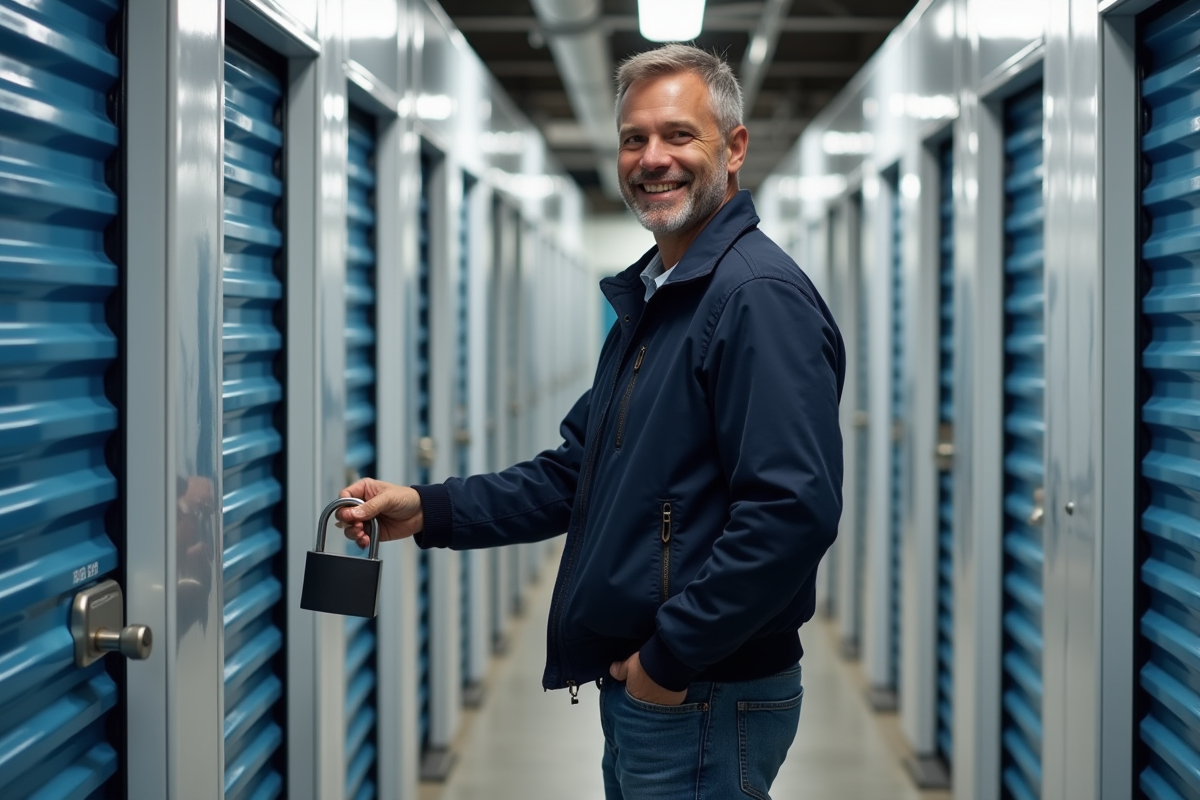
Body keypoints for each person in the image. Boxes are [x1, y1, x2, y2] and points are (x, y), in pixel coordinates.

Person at [337, 43, 846, 800]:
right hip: (672, 689)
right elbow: (577, 472)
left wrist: (668, 662)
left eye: (680, 135)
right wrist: (431, 508)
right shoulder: (664, 296)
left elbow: (790, 513)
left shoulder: (752, 298)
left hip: (702, 691)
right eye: (634, 138)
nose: (652, 158)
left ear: (734, 148)